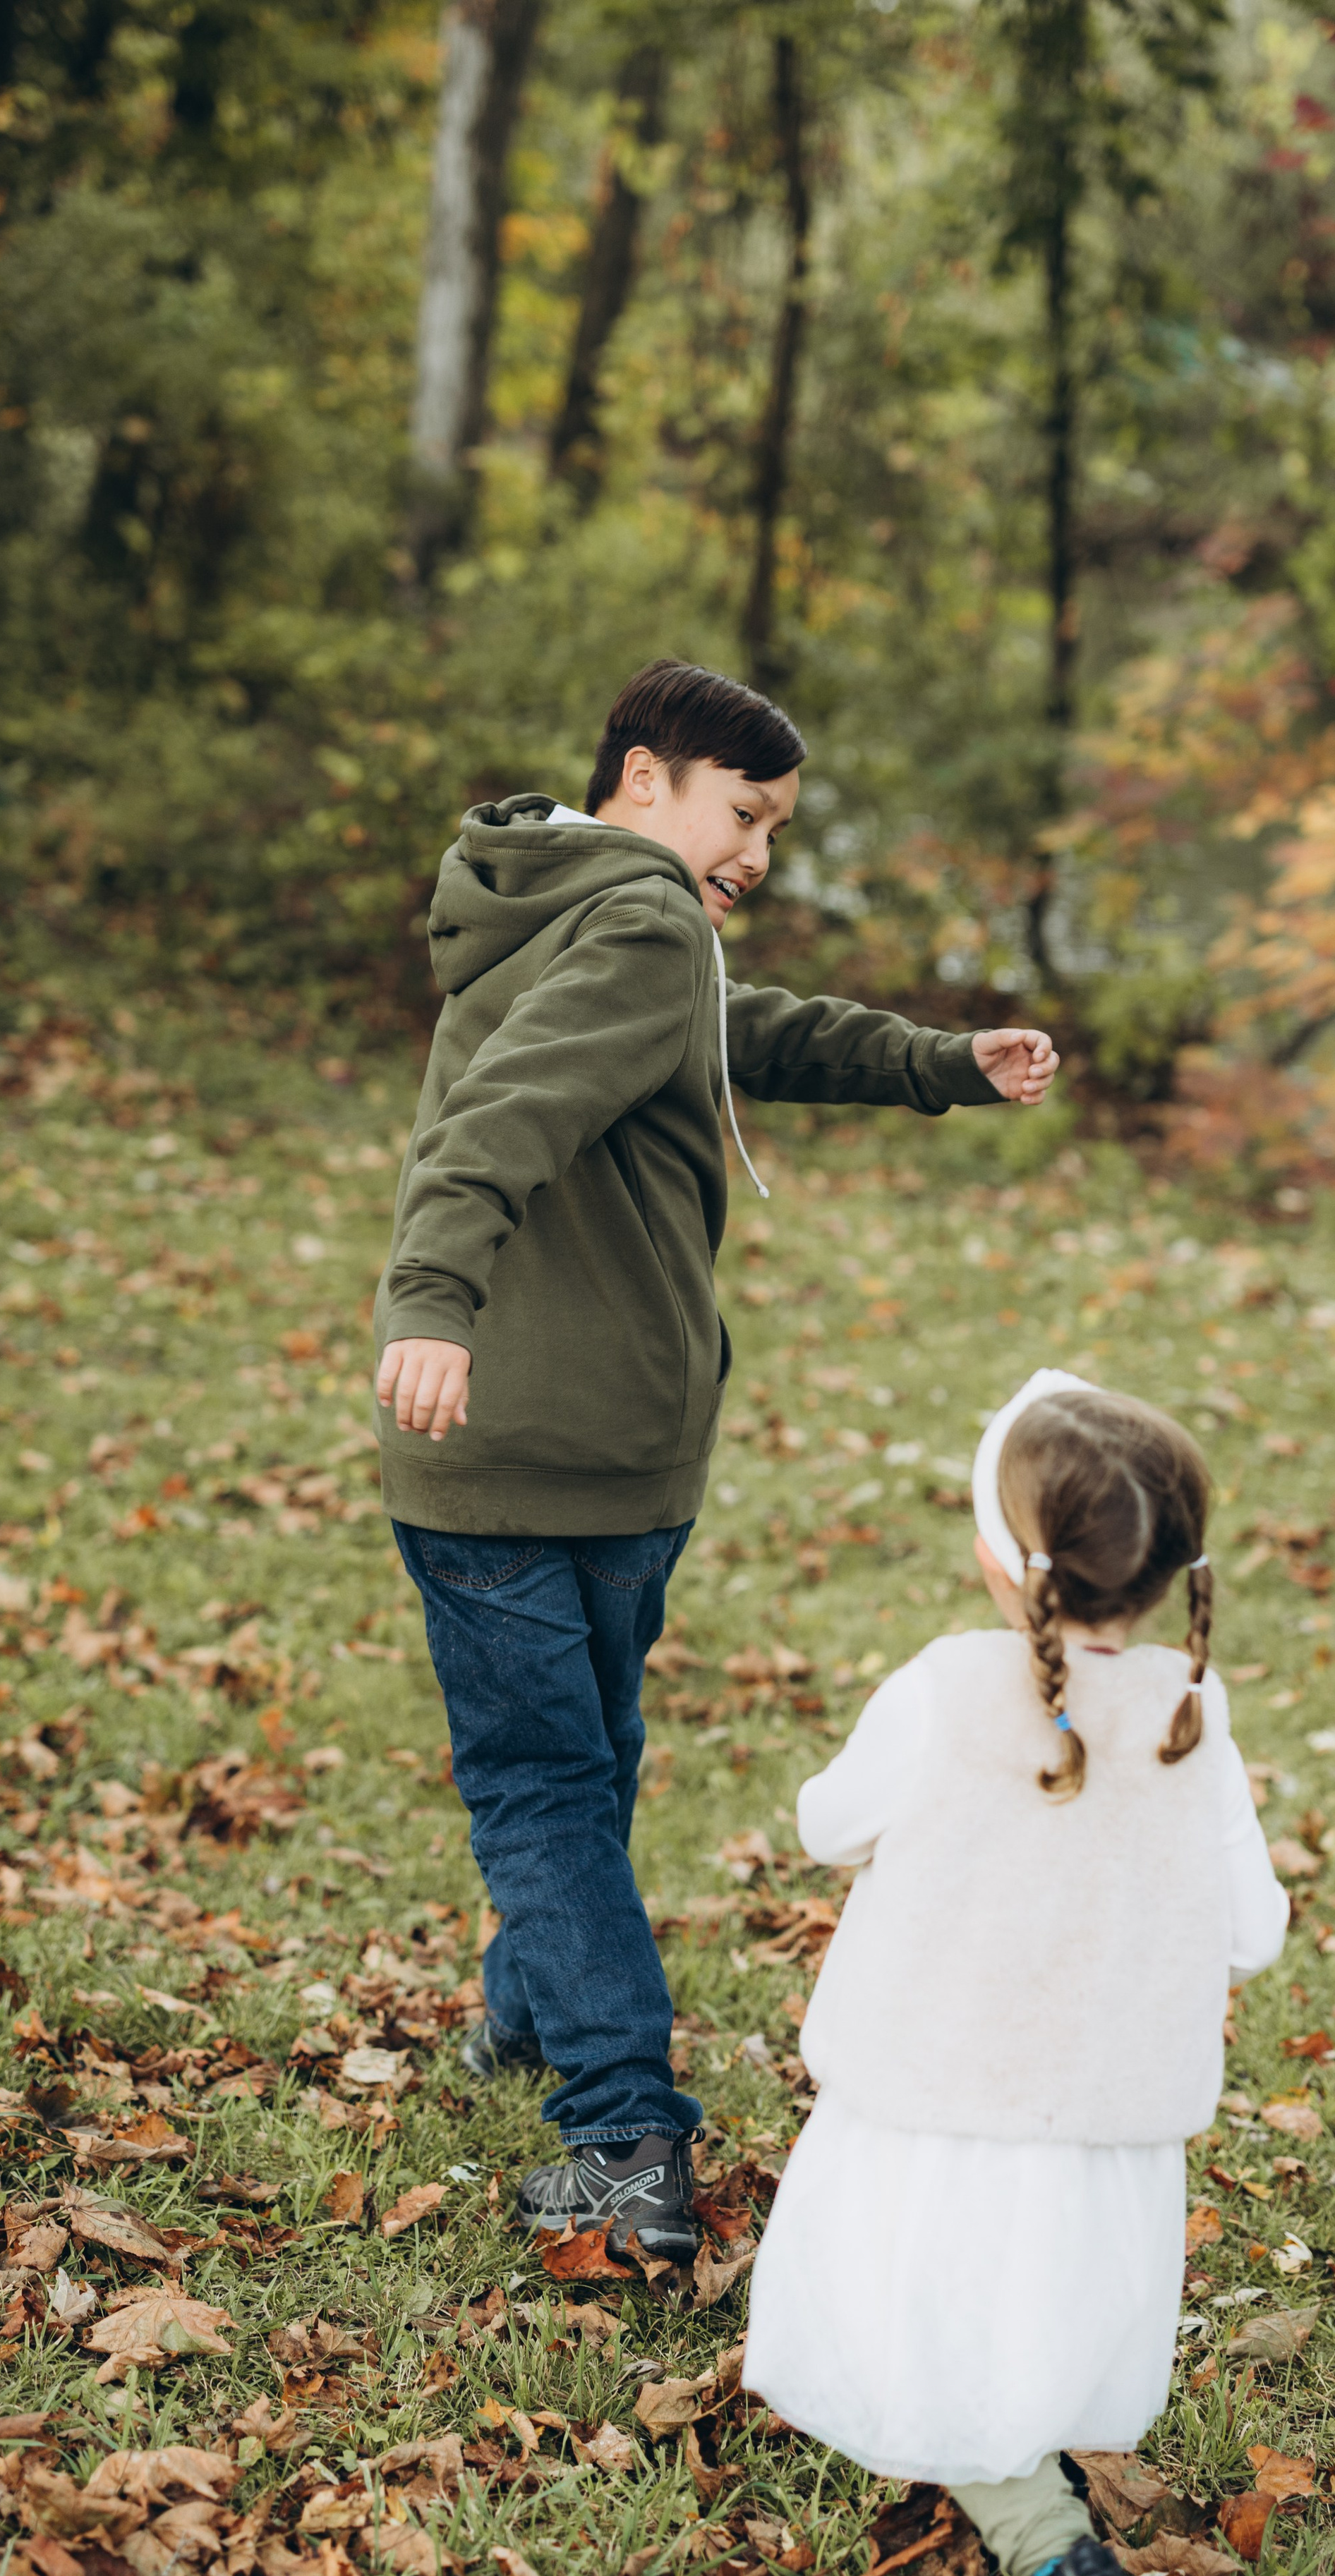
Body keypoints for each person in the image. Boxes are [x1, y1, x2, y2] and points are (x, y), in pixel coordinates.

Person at [372, 657, 1061, 2262]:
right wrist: (428, 1297)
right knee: (558, 1784)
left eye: (771, 828)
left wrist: (932, 1063)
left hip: (589, 1445)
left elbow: (745, 1030)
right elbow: (498, 1115)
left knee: (573, 1770)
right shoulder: (630, 917)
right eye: (738, 815)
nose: (754, 854)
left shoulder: (597, 917)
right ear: (640, 780)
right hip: (526, 1441)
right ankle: (622, 2136)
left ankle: (533, 2016)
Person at [743, 1371, 1288, 2576]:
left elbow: (828, 1825)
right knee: (1029, 2316)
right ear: (1169, 1576)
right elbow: (1255, 1930)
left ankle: (1056, 2560)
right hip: (1099, 2121)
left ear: (996, 1557)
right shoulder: (1191, 1716)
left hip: (929, 2103)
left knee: (925, 2321)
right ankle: (1042, 2516)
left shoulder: (942, 1689)